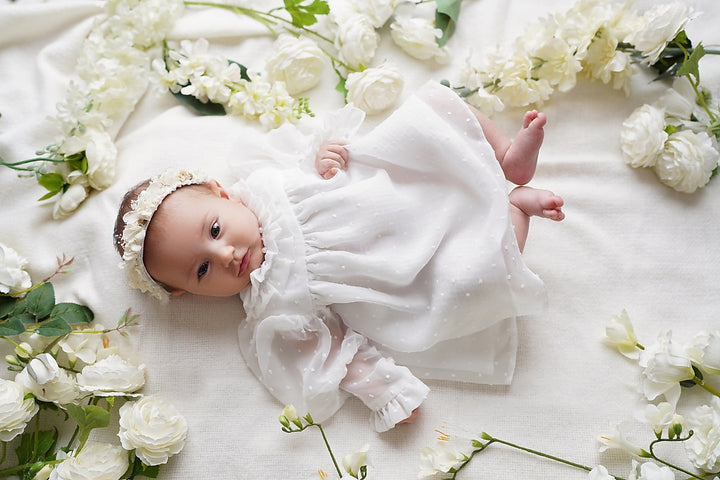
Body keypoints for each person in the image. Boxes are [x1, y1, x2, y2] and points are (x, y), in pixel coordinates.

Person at [113, 81, 564, 432]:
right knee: (475, 278)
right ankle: (515, 209)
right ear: (186, 292)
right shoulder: (273, 308)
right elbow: (338, 355)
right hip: (406, 271)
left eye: (215, 230)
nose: (227, 254)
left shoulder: (264, 180)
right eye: (203, 269)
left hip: (395, 187)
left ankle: (507, 157)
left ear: (222, 192)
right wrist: (386, 392)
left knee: (431, 116)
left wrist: (322, 154)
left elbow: (308, 152)